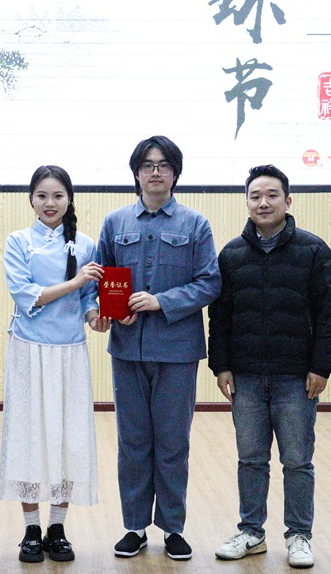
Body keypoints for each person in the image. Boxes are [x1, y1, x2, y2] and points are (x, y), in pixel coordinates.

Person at [207, 164, 331, 569]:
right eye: (255, 196)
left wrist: (322, 367)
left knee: (297, 460)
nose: (263, 203)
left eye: (271, 195)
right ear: (247, 202)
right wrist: (221, 366)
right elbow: (220, 317)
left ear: (288, 200)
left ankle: (299, 536)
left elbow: (330, 315)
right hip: (245, 377)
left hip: (296, 378)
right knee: (251, 459)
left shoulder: (313, 251)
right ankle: (251, 532)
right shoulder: (231, 254)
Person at [96, 135, 222, 561]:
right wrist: (113, 312)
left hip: (177, 351)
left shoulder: (195, 224)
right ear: (136, 172)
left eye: (163, 165)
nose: (155, 172)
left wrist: (160, 302)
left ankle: (172, 528)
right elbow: (103, 280)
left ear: (174, 173)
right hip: (127, 349)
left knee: (172, 442)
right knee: (132, 441)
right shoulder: (115, 223)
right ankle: (134, 526)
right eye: (147, 165)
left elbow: (210, 282)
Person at [0, 165, 109, 563]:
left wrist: (96, 316)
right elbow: (26, 293)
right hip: (28, 350)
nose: (50, 203)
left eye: (58, 195)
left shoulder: (86, 244)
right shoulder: (18, 242)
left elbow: (89, 298)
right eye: (42, 195)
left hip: (70, 351)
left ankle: (57, 528)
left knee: (68, 436)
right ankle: (31, 529)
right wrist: (77, 283)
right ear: (31, 198)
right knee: (27, 436)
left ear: (69, 199)